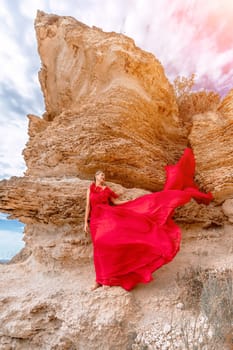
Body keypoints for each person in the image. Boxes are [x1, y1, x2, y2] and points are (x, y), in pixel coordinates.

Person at [84, 148, 213, 291]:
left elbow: (114, 203)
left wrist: (133, 201)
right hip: (95, 219)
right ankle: (98, 281)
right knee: (98, 248)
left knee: (106, 244)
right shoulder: (90, 189)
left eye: (104, 176)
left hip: (107, 217)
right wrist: (85, 222)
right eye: (101, 175)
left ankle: (106, 279)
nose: (103, 177)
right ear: (95, 177)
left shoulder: (106, 190)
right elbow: (88, 206)